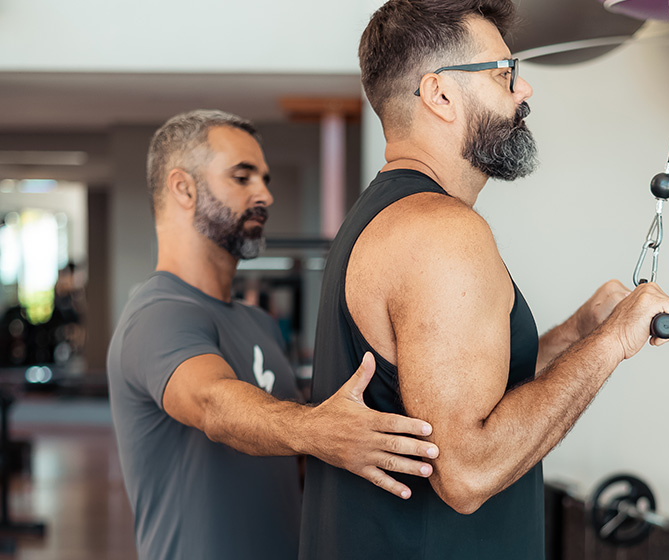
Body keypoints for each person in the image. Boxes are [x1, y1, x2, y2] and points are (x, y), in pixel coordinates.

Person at [299, 1, 669, 558]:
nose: (523, 90)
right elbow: (467, 474)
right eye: (504, 74)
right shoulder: (441, 232)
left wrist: (578, 332)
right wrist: (610, 345)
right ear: (440, 94)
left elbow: (475, 400)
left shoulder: (388, 216)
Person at [106, 109, 440, 560]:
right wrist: (318, 429)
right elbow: (214, 404)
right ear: (183, 188)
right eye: (242, 178)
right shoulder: (158, 315)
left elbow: (287, 458)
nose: (265, 194)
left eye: (264, 179)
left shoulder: (256, 322)